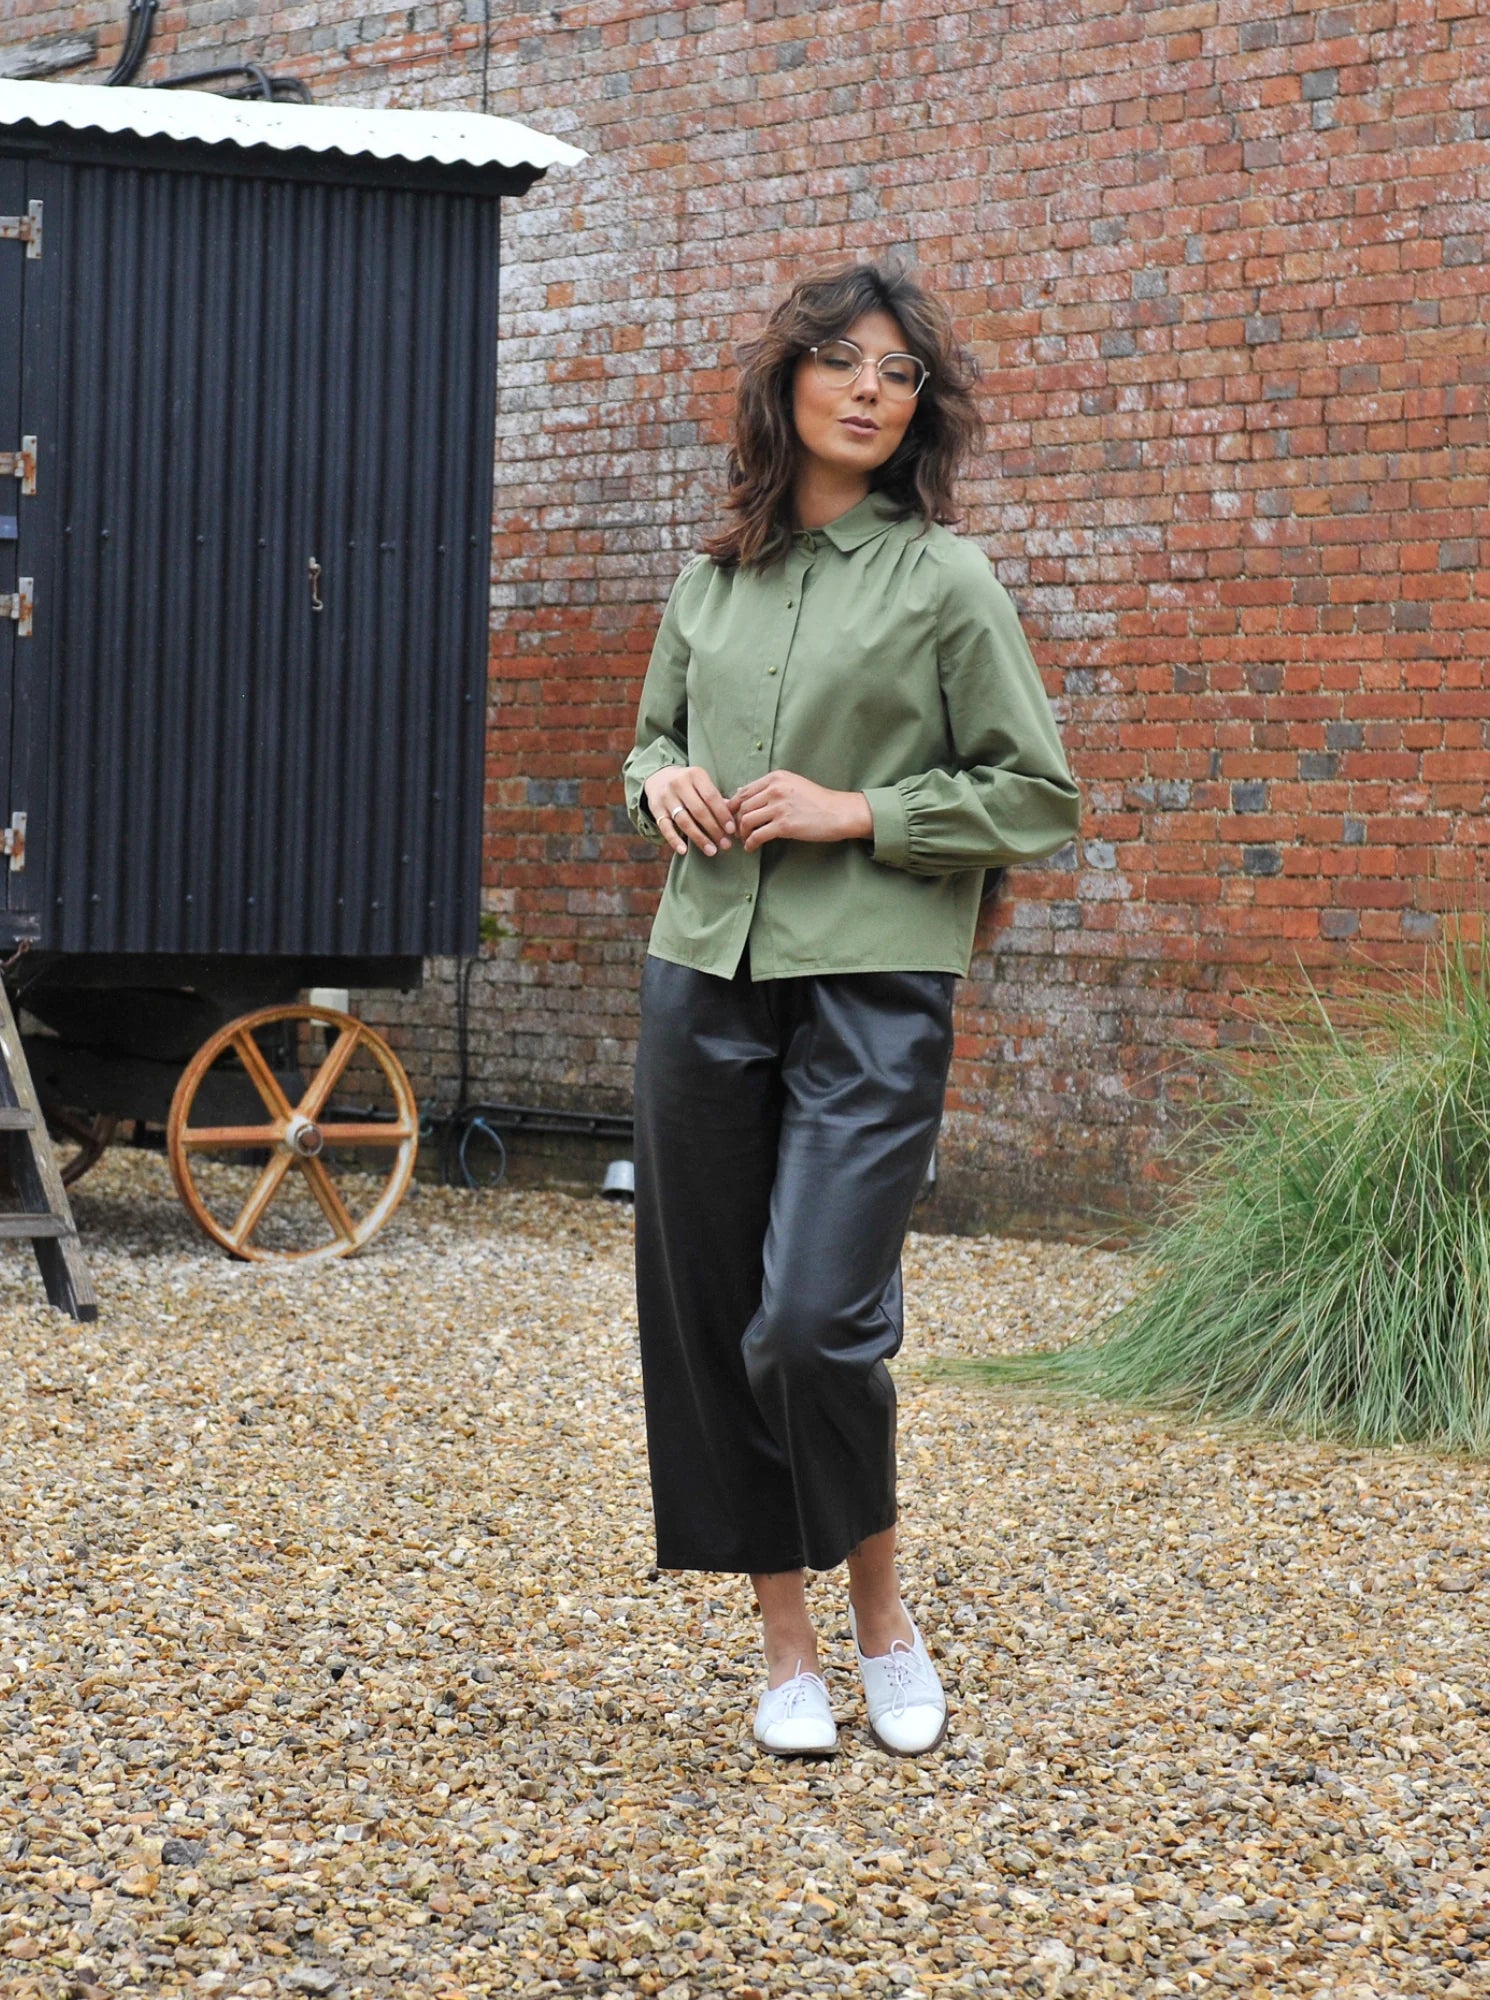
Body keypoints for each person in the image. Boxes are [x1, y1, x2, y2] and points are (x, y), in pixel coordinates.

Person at [621, 263, 1080, 1758]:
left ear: (918, 407)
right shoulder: (710, 582)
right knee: (715, 1324)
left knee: (812, 1327)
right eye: (840, 360)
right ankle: (786, 1645)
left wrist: (857, 809)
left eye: (897, 372)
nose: (870, 389)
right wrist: (661, 786)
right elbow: (648, 746)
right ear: (788, 383)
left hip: (873, 987)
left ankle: (883, 1613)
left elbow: (1037, 797)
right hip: (703, 975)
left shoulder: (945, 580)